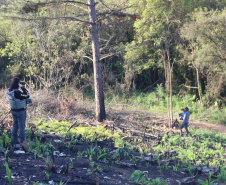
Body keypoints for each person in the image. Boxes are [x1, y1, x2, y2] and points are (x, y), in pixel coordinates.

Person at [7, 77, 31, 146]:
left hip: (13, 111)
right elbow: (26, 95)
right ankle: (22, 143)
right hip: (20, 112)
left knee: (15, 125)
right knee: (21, 127)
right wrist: (22, 87)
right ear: (17, 84)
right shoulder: (17, 92)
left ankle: (14, 141)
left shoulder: (9, 91)